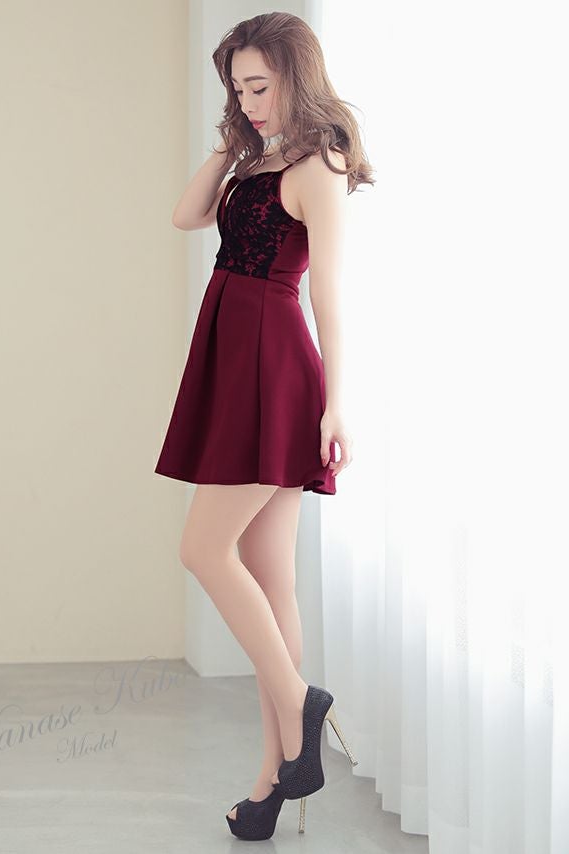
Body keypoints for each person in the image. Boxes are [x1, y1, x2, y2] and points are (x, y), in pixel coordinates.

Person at [153, 11, 375, 840]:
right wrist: (231, 143)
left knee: (203, 550)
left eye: (259, 87)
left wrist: (336, 402)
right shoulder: (260, 157)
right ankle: (275, 781)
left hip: (270, 368)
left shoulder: (320, 164)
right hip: (233, 355)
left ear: (295, 76)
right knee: (269, 578)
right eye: (238, 90)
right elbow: (186, 214)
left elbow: (329, 295)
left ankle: (299, 702)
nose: (247, 103)